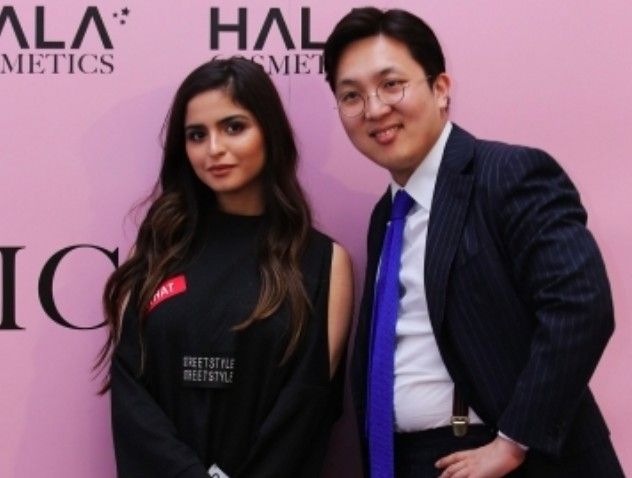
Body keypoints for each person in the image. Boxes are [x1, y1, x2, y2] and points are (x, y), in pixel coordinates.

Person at [323, 7, 623, 478]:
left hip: (507, 459)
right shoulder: (387, 215)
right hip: (405, 460)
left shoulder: (509, 174)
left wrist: (513, 442)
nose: (374, 109)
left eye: (391, 84)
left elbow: (581, 306)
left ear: (441, 89)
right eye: (351, 96)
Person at [95, 57, 353, 478]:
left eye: (234, 127)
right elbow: (133, 402)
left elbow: (305, 410)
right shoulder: (156, 252)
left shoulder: (322, 262)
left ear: (268, 131)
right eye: (197, 135)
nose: (214, 148)